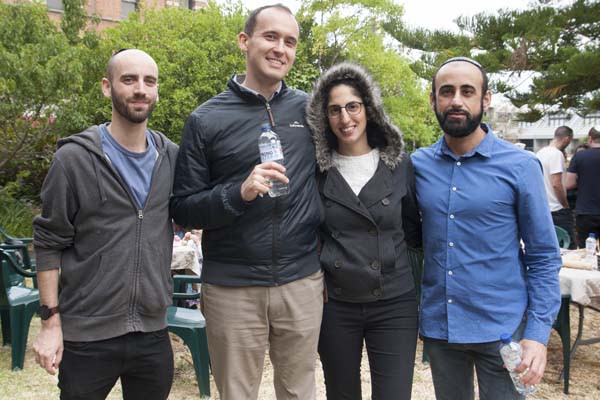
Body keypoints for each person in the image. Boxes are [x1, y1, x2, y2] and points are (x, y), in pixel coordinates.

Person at [169, 4, 324, 400]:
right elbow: (182, 207)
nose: (280, 49)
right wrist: (239, 192)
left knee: (299, 392)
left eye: (290, 42)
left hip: (301, 281)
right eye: (270, 37)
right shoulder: (205, 119)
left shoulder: (311, 111)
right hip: (232, 287)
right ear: (244, 41)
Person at [411, 57, 562, 400]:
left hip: (504, 331)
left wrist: (537, 335)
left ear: (486, 99)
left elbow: (543, 255)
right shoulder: (417, 166)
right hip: (441, 328)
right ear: (433, 100)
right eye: (446, 92)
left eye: (467, 91)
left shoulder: (521, 166)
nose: (456, 101)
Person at [31, 49, 178, 400]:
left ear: (157, 91)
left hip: (152, 333)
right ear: (106, 87)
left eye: (149, 81)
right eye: (129, 79)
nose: (140, 89)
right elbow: (49, 242)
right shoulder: (73, 159)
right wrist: (50, 322)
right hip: (87, 335)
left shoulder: (172, 157)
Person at [306, 62, 421, 399]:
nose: (345, 118)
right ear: (324, 117)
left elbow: (412, 228)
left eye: (353, 106)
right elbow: (307, 229)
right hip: (336, 302)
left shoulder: (399, 164)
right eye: (335, 110)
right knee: (341, 393)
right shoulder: (316, 170)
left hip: (394, 301)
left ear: (369, 109)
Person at [536, 126, 574, 247]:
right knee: (568, 246)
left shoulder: (540, 153)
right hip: (557, 209)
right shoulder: (556, 154)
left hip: (543, 208)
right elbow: (556, 183)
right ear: (567, 138)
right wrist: (565, 204)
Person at [566, 127, 600, 248]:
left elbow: (569, 183)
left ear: (590, 139)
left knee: (587, 250)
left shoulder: (580, 156)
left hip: (586, 211)